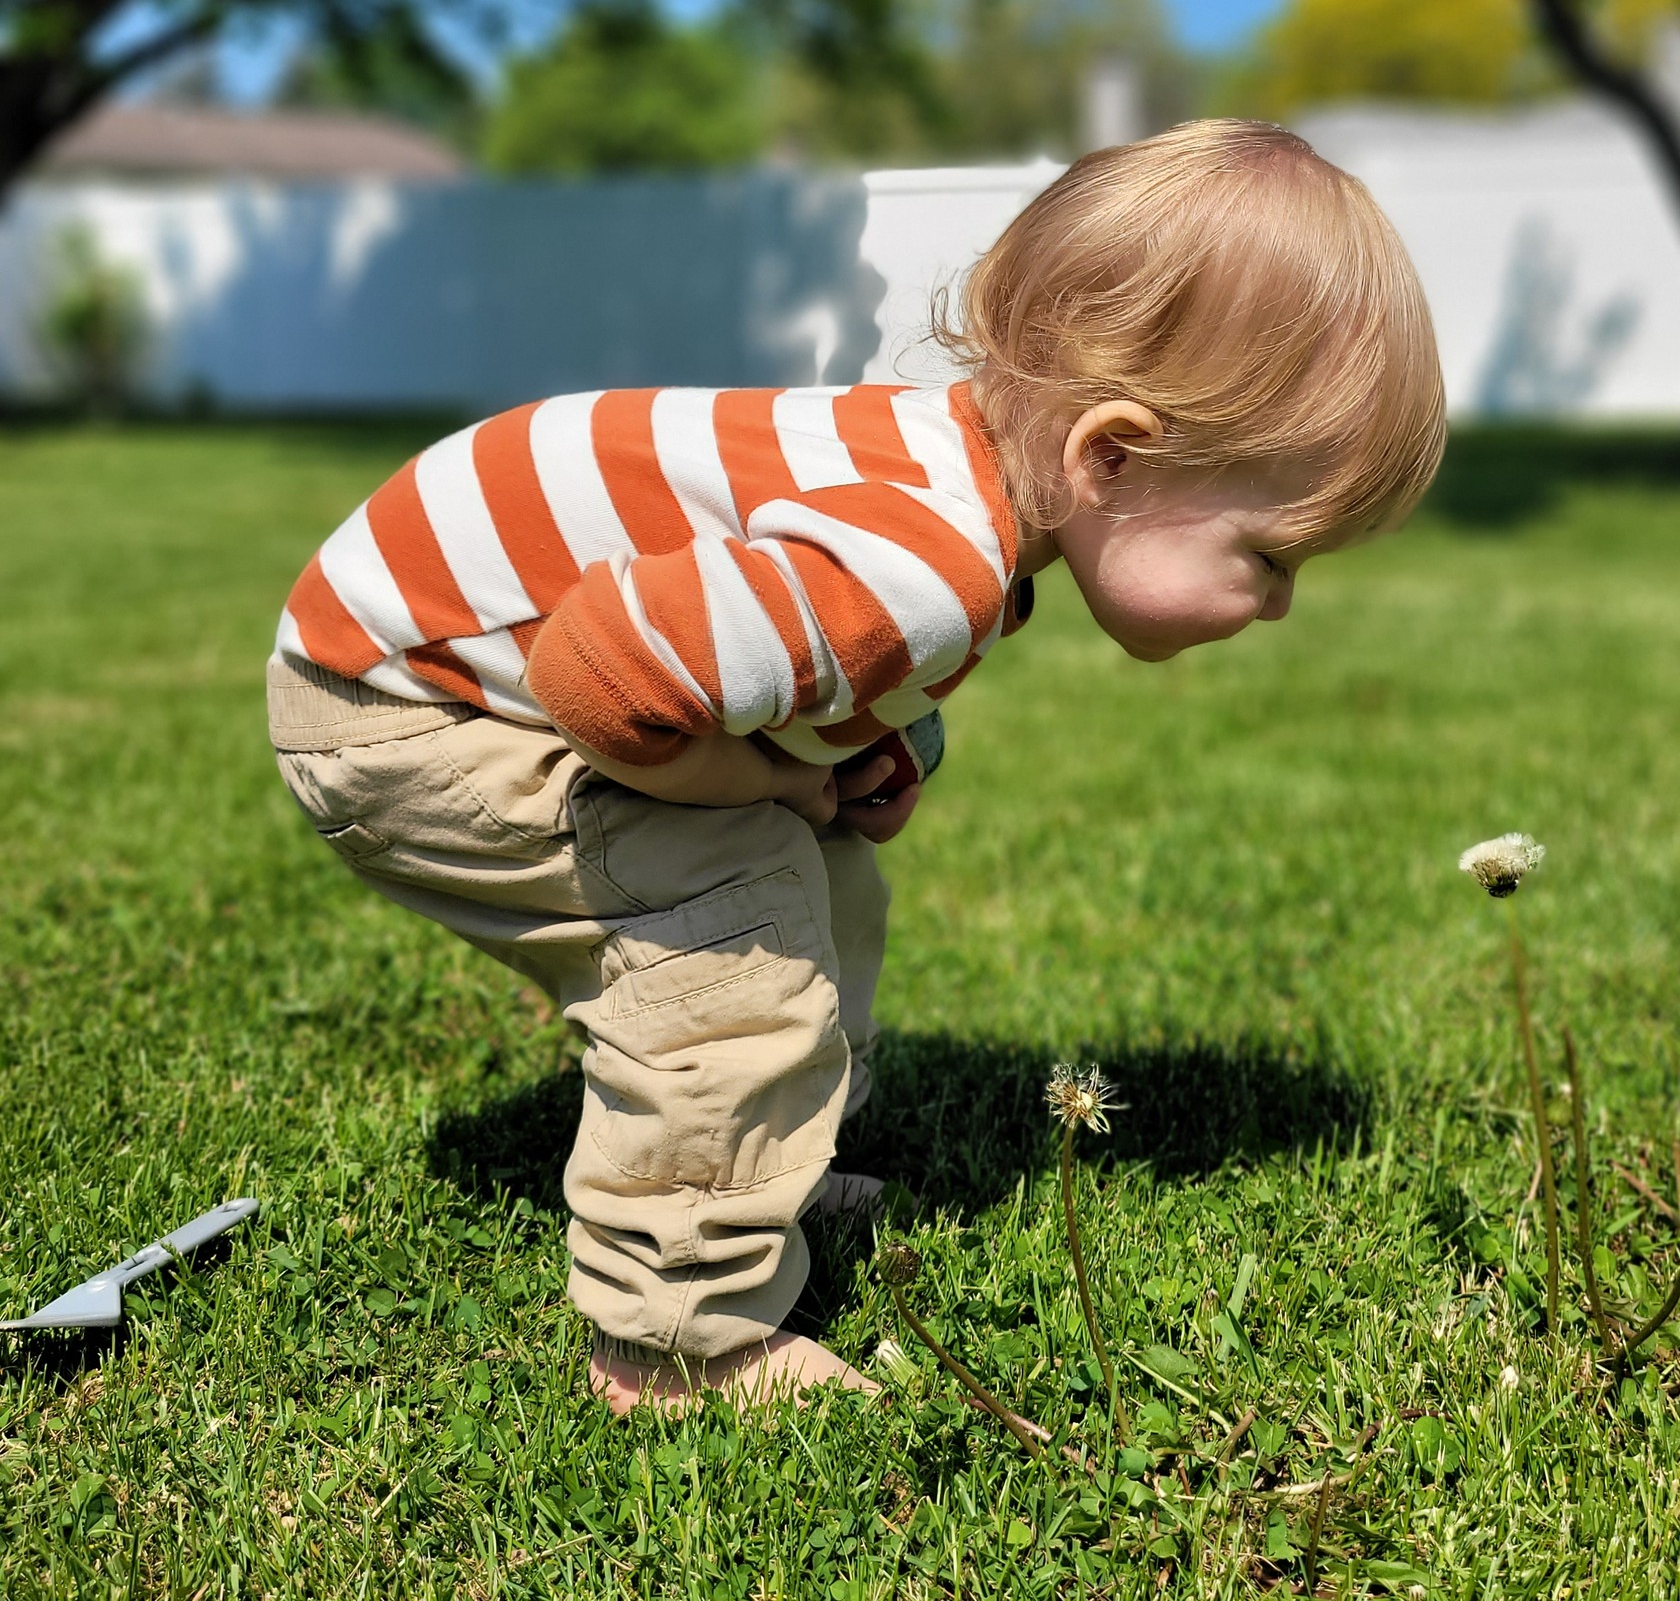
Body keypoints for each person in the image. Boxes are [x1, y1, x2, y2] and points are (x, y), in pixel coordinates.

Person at [265, 119, 1445, 1412]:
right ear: (1107, 455)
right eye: (1271, 556)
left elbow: (769, 646)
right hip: (397, 701)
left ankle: (765, 1147)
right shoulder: (926, 561)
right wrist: (768, 785)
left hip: (441, 651)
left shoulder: (943, 480)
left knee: (820, 873)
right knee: (727, 932)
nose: (1277, 606)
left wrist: (853, 750)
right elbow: (600, 676)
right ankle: (680, 1339)